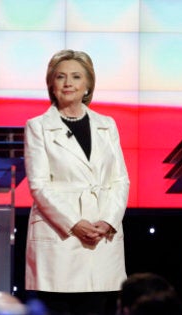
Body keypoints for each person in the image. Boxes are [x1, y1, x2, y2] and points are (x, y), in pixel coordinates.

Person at [24, 49, 130, 315]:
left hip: (101, 237)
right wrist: (74, 223)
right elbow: (38, 185)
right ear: (52, 85)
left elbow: (120, 180)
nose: (67, 83)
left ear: (88, 85)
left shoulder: (107, 125)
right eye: (60, 77)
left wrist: (107, 220)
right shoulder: (37, 126)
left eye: (75, 77)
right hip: (60, 238)